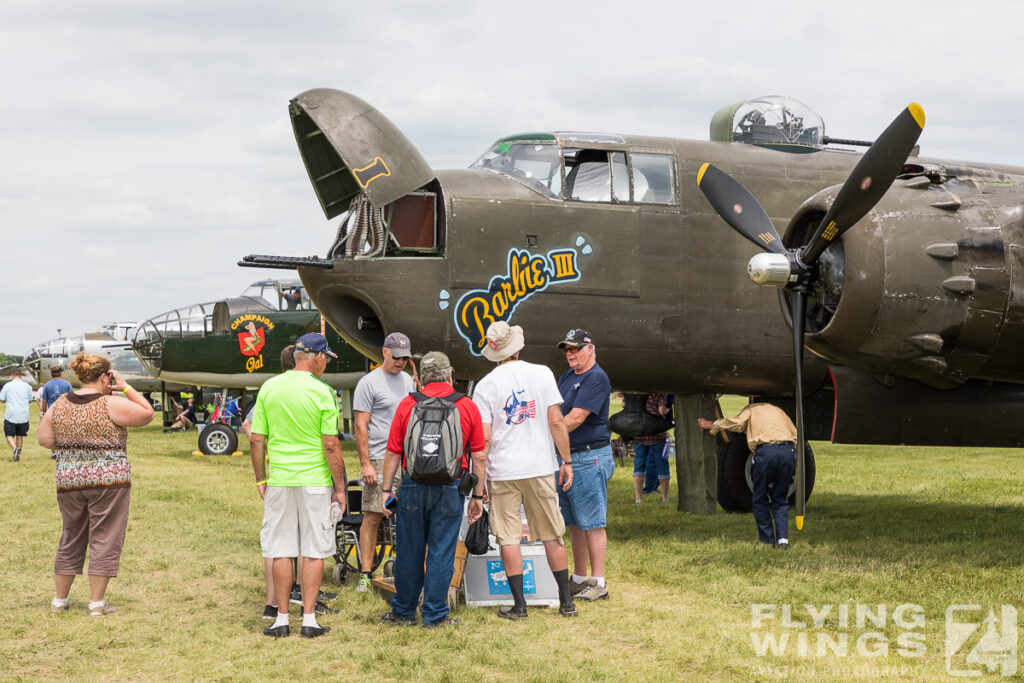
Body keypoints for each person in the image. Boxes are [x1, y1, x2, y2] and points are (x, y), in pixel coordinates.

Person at [472, 321, 577, 619]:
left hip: (503, 471)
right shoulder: (542, 373)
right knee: (551, 534)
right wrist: (566, 460)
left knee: (508, 537)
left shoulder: (486, 386)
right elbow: (557, 421)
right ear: (517, 347)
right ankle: (566, 601)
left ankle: (519, 605)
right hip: (540, 466)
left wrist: (480, 485)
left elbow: (486, 438)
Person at [37, 352, 155, 616]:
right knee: (105, 537)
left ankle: (59, 600)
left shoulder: (60, 404)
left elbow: (44, 439)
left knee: (71, 535)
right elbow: (147, 414)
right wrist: (125, 387)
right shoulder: (110, 404)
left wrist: (72, 447)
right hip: (108, 480)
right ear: (105, 377)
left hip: (69, 479)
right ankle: (97, 604)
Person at [250, 333, 347, 638]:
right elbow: (331, 445)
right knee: (314, 550)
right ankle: (308, 619)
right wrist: (340, 487)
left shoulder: (269, 387)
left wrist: (261, 478)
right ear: (316, 357)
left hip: (279, 479)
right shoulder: (323, 392)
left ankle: (280, 619)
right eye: (326, 359)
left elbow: (256, 439)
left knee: (280, 549)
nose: (326, 365)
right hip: (315, 482)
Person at [381, 351, 485, 628]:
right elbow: (480, 456)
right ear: (450, 376)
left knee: (409, 551)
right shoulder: (466, 405)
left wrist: (386, 492)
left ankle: (403, 612)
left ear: (422, 380)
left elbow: (393, 453)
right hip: (451, 488)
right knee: (441, 552)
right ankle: (435, 616)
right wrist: (477, 496)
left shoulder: (407, 404)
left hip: (412, 487)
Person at [352, 331, 415, 592]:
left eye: (405, 358)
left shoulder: (409, 381)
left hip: (406, 460)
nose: (400, 362)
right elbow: (360, 425)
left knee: (404, 515)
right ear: (384, 352)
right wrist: (366, 463)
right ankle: (366, 573)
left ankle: (403, 567)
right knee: (374, 515)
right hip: (379, 458)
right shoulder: (369, 383)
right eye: (396, 356)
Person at [555, 329, 614, 602]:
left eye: (575, 348)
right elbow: (555, 411)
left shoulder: (596, 378)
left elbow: (576, 418)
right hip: (569, 456)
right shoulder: (568, 376)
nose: (570, 354)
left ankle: (598, 581)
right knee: (575, 523)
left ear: (590, 348)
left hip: (589, 457)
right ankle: (579, 578)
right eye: (567, 349)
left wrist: (546, 432)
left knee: (592, 522)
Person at [698, 401, 797, 548]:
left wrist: (713, 425)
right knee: (780, 498)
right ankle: (783, 541)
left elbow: (736, 423)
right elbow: (794, 432)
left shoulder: (752, 409)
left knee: (760, 498)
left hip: (766, 452)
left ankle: (768, 541)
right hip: (788, 452)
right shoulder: (778, 410)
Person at [633, 393, 671, 503]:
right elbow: (661, 411)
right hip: (657, 434)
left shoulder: (636, 392)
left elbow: (623, 404)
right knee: (662, 464)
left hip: (639, 433)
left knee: (639, 465)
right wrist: (668, 410)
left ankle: (638, 498)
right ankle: (665, 498)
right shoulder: (659, 392)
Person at [1, 368, 35, 461]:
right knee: (20, 435)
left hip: (11, 414)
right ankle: (18, 453)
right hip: (23, 414)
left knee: (9, 434)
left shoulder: (7, 385)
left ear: (12, 376)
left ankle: (15, 449)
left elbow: (2, 399)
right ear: (20, 376)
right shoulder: (27, 386)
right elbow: (30, 400)